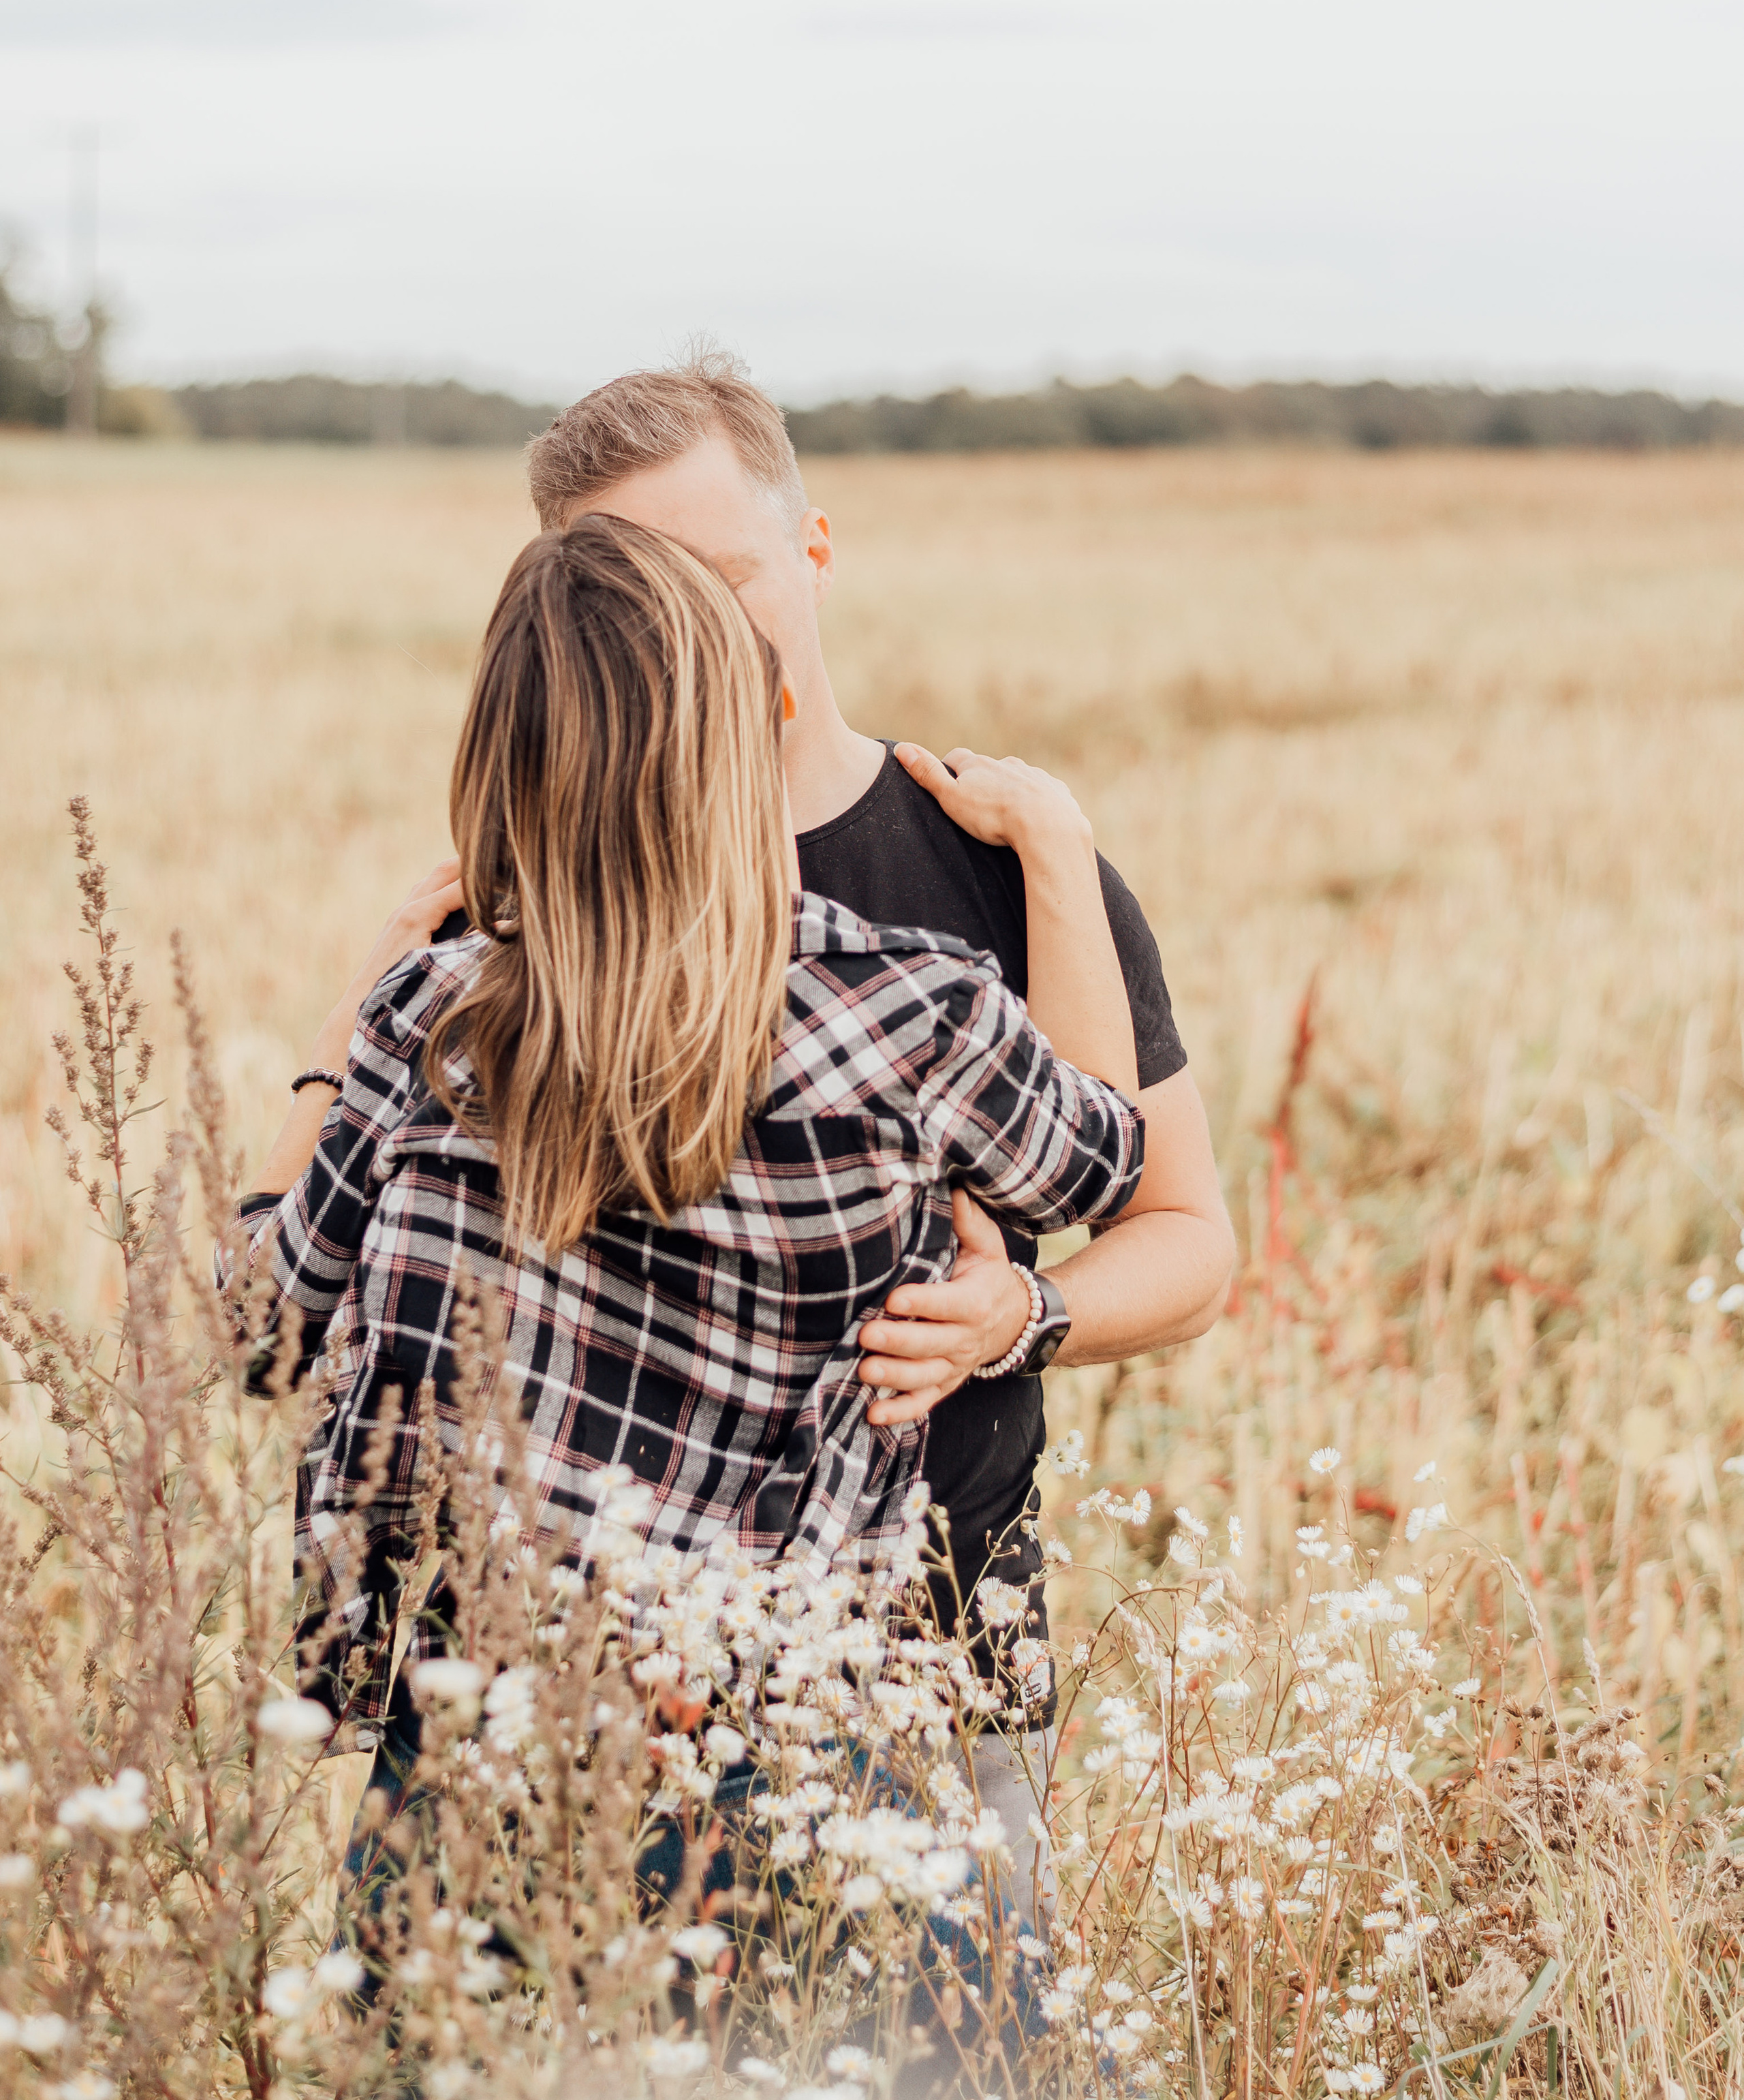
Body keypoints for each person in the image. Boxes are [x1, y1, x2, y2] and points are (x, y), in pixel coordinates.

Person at [225, 516, 1153, 1950]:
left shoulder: (434, 1018)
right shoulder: (914, 1014)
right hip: (789, 1755)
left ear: (501, 773)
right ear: (749, 733)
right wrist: (1056, 849)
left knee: (451, 2047)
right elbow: (1096, 1161)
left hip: (475, 1745)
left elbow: (257, 1326)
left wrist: (348, 1026)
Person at [520, 354, 1235, 1686]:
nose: (701, 635)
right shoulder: (541, 909)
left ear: (815, 549)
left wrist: (1017, 1315)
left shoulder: (1013, 865)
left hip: (944, 1651)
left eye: (726, 576)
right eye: (642, 598)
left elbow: (1181, 1235)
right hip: (596, 1681)